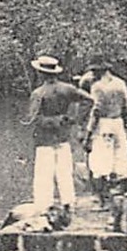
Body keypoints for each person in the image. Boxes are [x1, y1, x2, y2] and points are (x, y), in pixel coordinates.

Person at [22, 55, 92, 213]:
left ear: (41, 74)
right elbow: (89, 100)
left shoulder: (38, 93)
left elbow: (35, 119)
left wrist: (54, 121)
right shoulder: (67, 89)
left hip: (44, 140)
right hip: (63, 136)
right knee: (65, 172)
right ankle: (68, 203)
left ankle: (43, 206)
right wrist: (74, 120)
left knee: (43, 175)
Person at [82, 61, 127, 209]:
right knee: (121, 158)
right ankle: (124, 197)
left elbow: (96, 110)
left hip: (104, 123)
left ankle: (102, 201)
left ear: (101, 71)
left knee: (99, 162)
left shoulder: (97, 87)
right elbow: (126, 107)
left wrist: (89, 133)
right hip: (118, 122)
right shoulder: (120, 83)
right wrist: (125, 124)